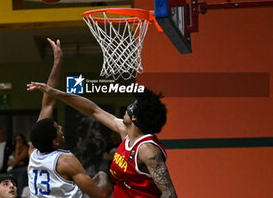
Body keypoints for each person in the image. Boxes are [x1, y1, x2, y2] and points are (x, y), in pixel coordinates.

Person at [27, 85, 178, 198]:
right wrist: (55, 93)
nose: (127, 108)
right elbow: (93, 110)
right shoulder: (125, 133)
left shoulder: (147, 150)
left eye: (132, 107)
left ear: (135, 118)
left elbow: (169, 193)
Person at [26, 38, 112, 198]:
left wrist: (57, 61)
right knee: (102, 177)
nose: (61, 129)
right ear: (55, 142)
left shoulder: (34, 152)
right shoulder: (65, 161)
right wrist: (103, 177)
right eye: (58, 129)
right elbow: (100, 196)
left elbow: (48, 104)